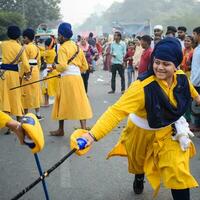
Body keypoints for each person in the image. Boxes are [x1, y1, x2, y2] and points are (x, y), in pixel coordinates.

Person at [72, 37, 200, 200]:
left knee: (178, 172)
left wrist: (197, 99)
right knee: (138, 163)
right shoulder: (141, 87)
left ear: (176, 66)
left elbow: (192, 92)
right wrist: (91, 135)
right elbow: (116, 112)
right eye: (157, 62)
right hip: (140, 132)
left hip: (169, 131)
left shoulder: (181, 77)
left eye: (166, 64)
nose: (159, 67)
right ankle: (139, 176)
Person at [50, 22, 93, 136]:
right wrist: (74, 69)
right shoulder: (77, 47)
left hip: (66, 79)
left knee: (61, 102)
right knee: (80, 102)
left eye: (59, 35)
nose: (58, 38)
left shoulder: (63, 48)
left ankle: (61, 129)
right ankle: (83, 129)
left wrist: (55, 67)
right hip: (77, 78)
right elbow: (85, 67)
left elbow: (62, 66)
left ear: (62, 36)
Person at [0, 26, 30, 123]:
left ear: (8, 34)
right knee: (15, 96)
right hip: (13, 75)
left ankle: (6, 121)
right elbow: (25, 65)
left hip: (3, 74)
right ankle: (18, 120)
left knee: (4, 96)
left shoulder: (3, 44)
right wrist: (27, 73)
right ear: (18, 36)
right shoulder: (20, 48)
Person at [21, 28, 43, 120]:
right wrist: (36, 70)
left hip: (28, 71)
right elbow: (39, 62)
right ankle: (38, 114)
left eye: (24, 37)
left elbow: (24, 62)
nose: (23, 39)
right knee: (35, 92)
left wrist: (24, 73)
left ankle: (25, 114)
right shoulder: (37, 48)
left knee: (25, 92)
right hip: (35, 71)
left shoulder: (25, 48)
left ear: (27, 38)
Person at [42, 37, 59, 106]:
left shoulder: (48, 52)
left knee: (46, 88)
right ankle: (55, 102)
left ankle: (46, 103)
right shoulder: (53, 51)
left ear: (48, 46)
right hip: (53, 70)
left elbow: (41, 54)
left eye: (45, 45)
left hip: (49, 71)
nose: (44, 47)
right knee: (54, 87)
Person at [190, 26, 200, 132]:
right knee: (196, 106)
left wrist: (194, 82)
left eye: (194, 34)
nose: (194, 36)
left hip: (198, 82)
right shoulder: (197, 48)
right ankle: (197, 125)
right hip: (195, 80)